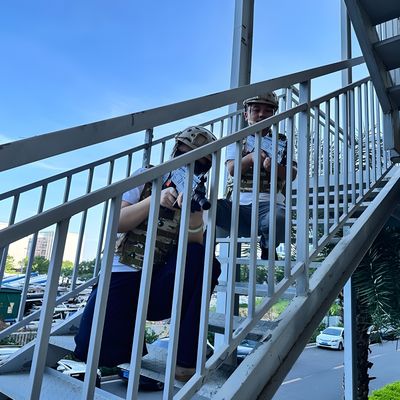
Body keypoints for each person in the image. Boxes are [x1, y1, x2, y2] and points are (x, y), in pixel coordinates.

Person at [74, 126, 221, 387]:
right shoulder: (147, 176)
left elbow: (194, 253)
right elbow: (118, 221)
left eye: (200, 163)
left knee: (206, 259)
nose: (191, 166)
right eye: (186, 155)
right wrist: (155, 199)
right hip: (126, 271)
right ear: (176, 152)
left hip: (161, 283)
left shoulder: (198, 197)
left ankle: (185, 359)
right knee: (93, 348)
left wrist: (194, 217)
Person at [216, 92, 297, 259]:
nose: (261, 114)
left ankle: (267, 245)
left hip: (269, 206)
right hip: (238, 207)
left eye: (268, 111)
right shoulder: (237, 139)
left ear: (274, 115)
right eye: (256, 110)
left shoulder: (282, 141)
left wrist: (274, 167)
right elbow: (232, 169)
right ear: (246, 115)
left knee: (280, 216)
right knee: (212, 208)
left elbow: (292, 174)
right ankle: (203, 253)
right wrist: (250, 158)